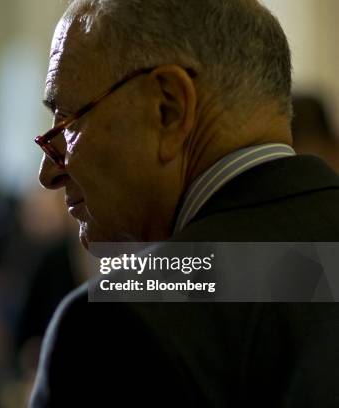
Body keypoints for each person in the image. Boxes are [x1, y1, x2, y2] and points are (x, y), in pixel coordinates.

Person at [30, 0, 339, 407]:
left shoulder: (122, 321)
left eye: (69, 121)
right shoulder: (307, 263)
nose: (48, 173)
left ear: (168, 108)